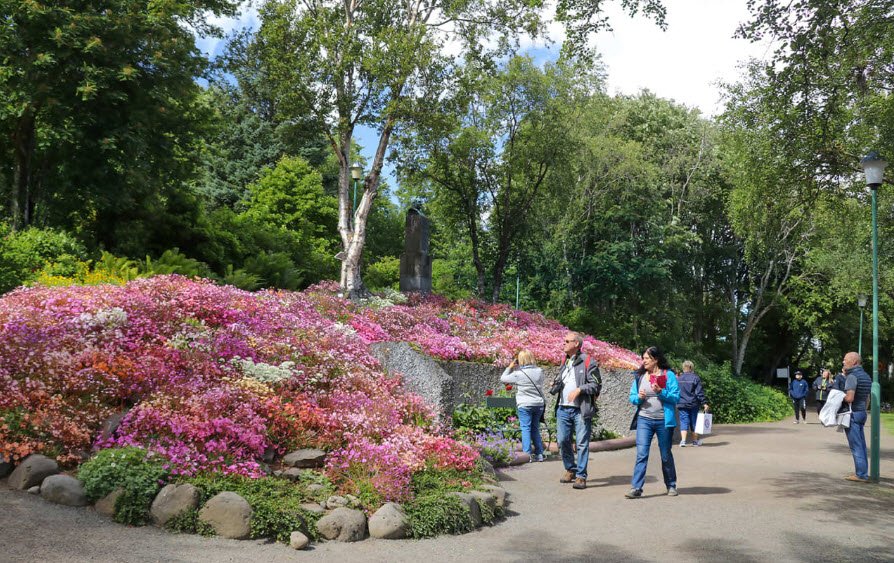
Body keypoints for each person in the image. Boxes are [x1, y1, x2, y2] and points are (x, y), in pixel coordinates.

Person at [548, 332, 602, 490]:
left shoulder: (588, 362)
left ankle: (581, 476)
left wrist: (580, 389)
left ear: (576, 344)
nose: (563, 343)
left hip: (580, 410)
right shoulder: (565, 361)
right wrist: (555, 383)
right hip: (563, 408)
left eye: (567, 341)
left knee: (582, 443)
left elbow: (596, 385)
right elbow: (564, 380)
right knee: (563, 440)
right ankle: (570, 468)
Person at [625, 346, 680, 499]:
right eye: (643, 358)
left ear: (656, 359)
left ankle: (671, 485)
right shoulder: (640, 376)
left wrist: (661, 392)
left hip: (664, 421)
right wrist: (639, 398)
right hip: (644, 419)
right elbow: (633, 398)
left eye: (647, 359)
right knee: (641, 454)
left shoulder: (668, 375)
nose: (644, 361)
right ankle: (636, 488)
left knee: (665, 454)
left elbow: (676, 397)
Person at [501, 350, 546, 462]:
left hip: (525, 404)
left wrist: (510, 367)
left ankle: (527, 455)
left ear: (520, 360)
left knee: (525, 428)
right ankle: (540, 454)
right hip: (538, 404)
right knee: (535, 428)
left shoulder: (518, 374)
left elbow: (503, 378)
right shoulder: (539, 371)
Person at [841, 352, 872, 482]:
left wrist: (838, 397)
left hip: (853, 414)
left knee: (856, 445)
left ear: (854, 362)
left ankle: (861, 475)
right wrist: (862, 409)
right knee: (862, 445)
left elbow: (849, 398)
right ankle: (863, 472)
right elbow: (868, 399)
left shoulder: (852, 376)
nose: (843, 362)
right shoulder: (865, 376)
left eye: (845, 360)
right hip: (862, 413)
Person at [677, 360, 709, 447]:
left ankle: (683, 441)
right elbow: (699, 392)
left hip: (682, 403)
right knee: (694, 422)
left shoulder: (679, 378)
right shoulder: (695, 378)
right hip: (693, 403)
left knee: (684, 421)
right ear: (691, 367)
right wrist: (704, 403)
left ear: (684, 367)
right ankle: (695, 442)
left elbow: (676, 391)